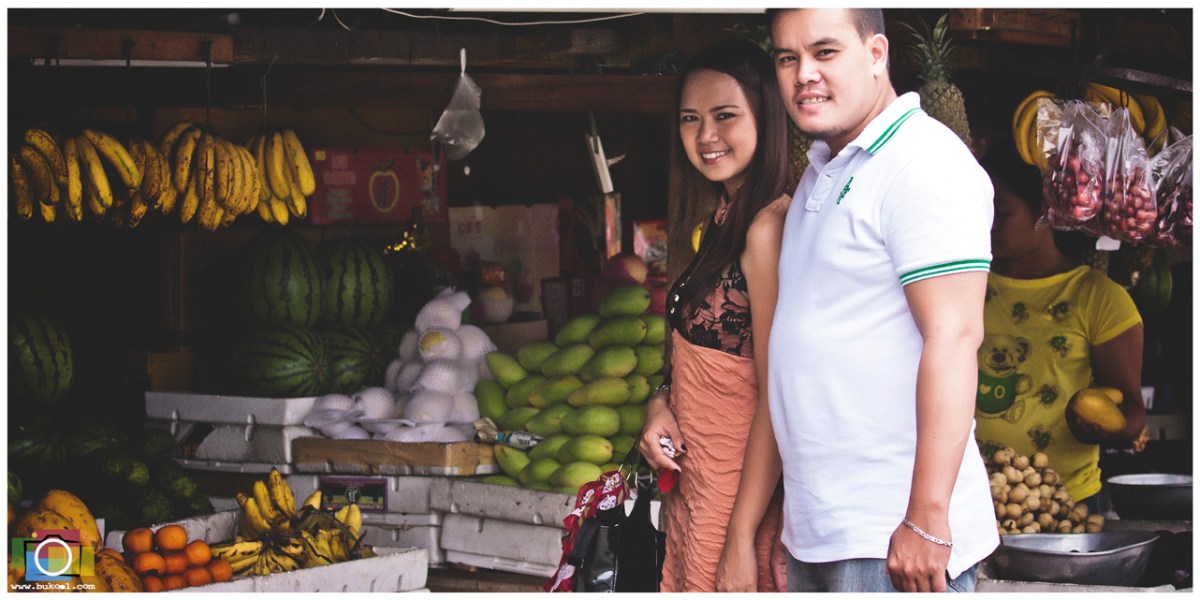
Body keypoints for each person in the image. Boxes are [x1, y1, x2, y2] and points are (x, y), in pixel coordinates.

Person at [723, 8, 1000, 593]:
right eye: (787, 58)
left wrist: (926, 518)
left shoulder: (923, 162)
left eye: (824, 52)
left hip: (893, 537)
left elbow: (954, 338)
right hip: (826, 533)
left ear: (876, 55)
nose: (804, 74)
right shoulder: (823, 171)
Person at [636, 38, 792, 592]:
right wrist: (660, 405)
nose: (706, 136)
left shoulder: (768, 228)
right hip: (697, 489)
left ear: (767, 118)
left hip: (737, 497)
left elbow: (777, 395)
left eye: (725, 116)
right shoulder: (721, 217)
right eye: (690, 119)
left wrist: (741, 539)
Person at [974, 136, 1146, 509]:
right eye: (981, 208)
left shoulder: (1099, 298)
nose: (987, 222)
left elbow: (1132, 410)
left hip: (1065, 503)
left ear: (1044, 211)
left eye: (1001, 211)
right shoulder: (963, 285)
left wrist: (1100, 428)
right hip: (969, 502)